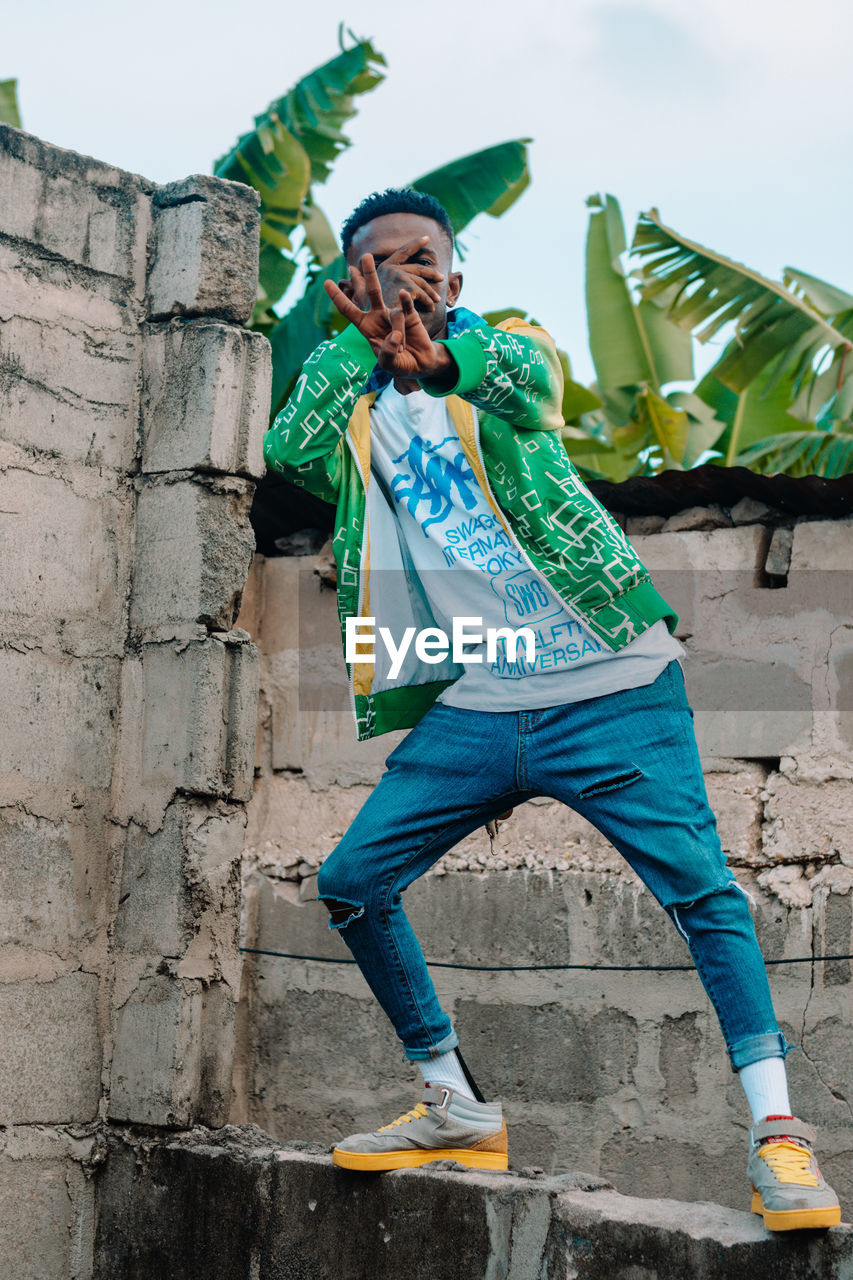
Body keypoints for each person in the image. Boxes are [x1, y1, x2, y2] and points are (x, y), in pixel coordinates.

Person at [262, 188, 841, 1231]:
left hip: (611, 685)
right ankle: (452, 1099)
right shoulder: (344, 396)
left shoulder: (506, 350)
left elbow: (533, 387)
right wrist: (363, 349)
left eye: (423, 261)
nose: (404, 279)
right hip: (473, 701)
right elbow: (289, 450)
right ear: (351, 285)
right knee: (351, 880)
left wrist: (441, 358)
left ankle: (781, 1136)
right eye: (380, 265)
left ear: (458, 276)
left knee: (703, 893)